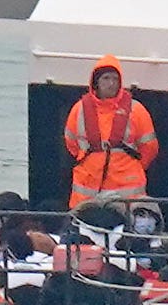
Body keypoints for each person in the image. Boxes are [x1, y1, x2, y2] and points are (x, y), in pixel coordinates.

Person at [64, 55, 159, 208]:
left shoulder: (136, 110)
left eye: (115, 79)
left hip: (127, 193)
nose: (111, 83)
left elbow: (150, 148)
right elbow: (71, 144)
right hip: (87, 192)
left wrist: (129, 167)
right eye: (106, 78)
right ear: (96, 82)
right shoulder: (79, 110)